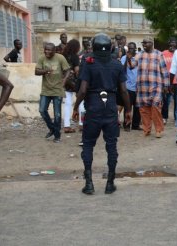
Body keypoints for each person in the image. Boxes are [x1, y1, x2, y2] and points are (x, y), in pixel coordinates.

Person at [72, 33, 131, 195]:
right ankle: (110, 183)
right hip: (111, 108)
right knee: (111, 146)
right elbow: (124, 91)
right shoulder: (117, 65)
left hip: (93, 109)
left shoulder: (88, 63)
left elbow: (83, 90)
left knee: (88, 144)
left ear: (93, 47)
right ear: (111, 47)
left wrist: (76, 107)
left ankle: (89, 183)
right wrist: (128, 110)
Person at [35, 43, 71, 143]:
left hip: (57, 90)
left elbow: (68, 70)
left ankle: (57, 136)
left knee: (57, 114)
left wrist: (64, 80)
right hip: (46, 90)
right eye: (46, 49)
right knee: (42, 110)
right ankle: (52, 128)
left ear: (54, 51)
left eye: (50, 50)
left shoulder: (60, 58)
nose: (47, 51)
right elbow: (36, 72)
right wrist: (45, 71)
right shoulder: (42, 58)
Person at [136, 37, 170, 138]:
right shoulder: (139, 54)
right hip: (142, 87)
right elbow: (132, 65)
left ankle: (159, 129)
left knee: (156, 107)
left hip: (156, 86)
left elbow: (164, 70)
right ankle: (146, 129)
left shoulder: (158, 54)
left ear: (152, 43)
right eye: (143, 43)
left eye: (146, 43)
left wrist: (166, 85)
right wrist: (129, 58)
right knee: (143, 109)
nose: (144, 44)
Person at [120, 42, 141, 131]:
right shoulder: (124, 58)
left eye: (133, 48)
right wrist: (127, 59)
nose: (131, 50)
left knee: (138, 107)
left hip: (138, 87)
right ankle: (127, 125)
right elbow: (122, 70)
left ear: (135, 48)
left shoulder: (139, 57)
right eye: (130, 48)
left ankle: (135, 125)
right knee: (128, 107)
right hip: (128, 86)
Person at [62, 39, 81, 134]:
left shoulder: (63, 56)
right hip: (74, 82)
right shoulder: (75, 56)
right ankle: (82, 124)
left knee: (67, 103)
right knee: (81, 101)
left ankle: (66, 126)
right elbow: (77, 70)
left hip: (65, 81)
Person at [162, 37, 177, 125]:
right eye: (171, 42)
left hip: (176, 81)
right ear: (168, 44)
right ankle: (164, 117)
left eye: (174, 42)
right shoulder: (163, 53)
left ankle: (176, 118)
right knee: (165, 100)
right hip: (166, 81)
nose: (172, 44)